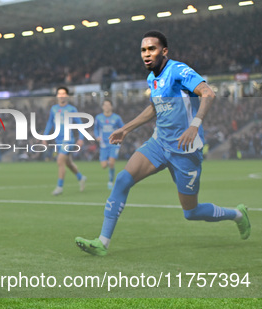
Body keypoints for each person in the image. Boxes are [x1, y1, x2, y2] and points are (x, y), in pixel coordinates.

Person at [75, 31, 250, 256]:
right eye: (143, 50)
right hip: (159, 144)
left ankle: (237, 214)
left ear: (164, 51)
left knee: (191, 212)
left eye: (152, 49)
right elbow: (153, 108)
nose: (146, 54)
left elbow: (207, 93)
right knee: (122, 180)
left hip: (185, 150)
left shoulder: (178, 70)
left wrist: (194, 125)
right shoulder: (152, 79)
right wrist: (126, 128)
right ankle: (102, 242)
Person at [43, 86, 87, 195]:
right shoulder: (53, 109)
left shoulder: (72, 109)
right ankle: (81, 178)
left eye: (64, 94)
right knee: (68, 163)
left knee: (60, 160)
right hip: (58, 140)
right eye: (59, 94)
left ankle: (59, 187)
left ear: (67, 96)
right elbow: (49, 123)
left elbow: (80, 124)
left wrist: (81, 138)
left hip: (68, 139)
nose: (61, 96)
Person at [94, 99, 124, 189]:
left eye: (108, 105)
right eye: (105, 105)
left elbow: (122, 128)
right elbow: (96, 129)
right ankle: (108, 161)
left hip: (114, 143)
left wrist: (120, 137)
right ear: (102, 107)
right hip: (103, 144)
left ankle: (110, 182)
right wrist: (97, 136)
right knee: (103, 166)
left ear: (111, 107)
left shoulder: (116, 118)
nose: (106, 107)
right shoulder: (98, 118)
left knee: (111, 163)